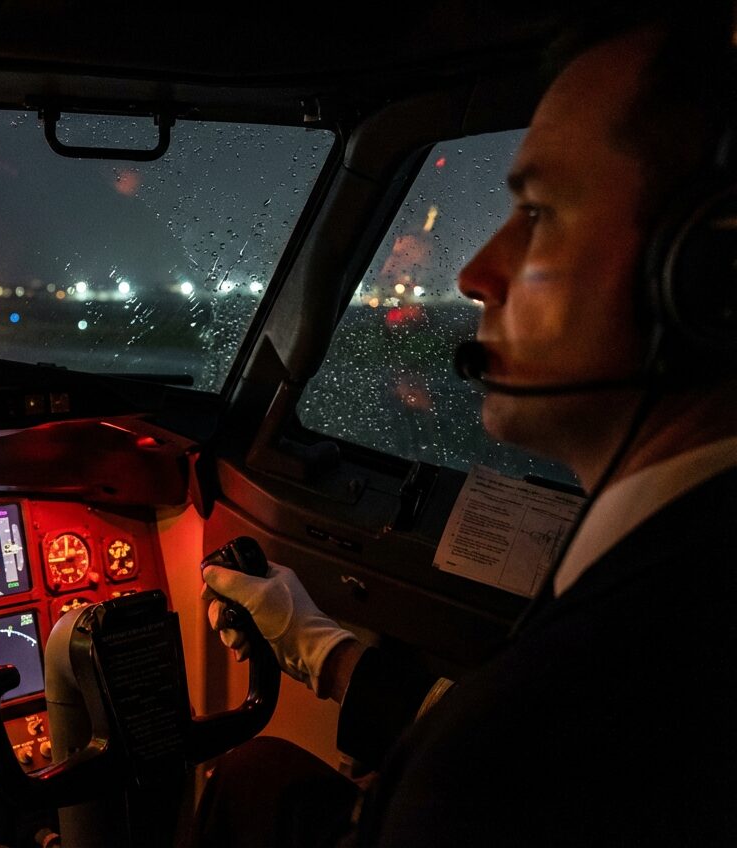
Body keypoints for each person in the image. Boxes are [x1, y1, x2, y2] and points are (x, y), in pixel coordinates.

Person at [197, 7, 737, 846]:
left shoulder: (558, 725)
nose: (478, 274)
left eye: (537, 215)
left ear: (707, 273)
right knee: (255, 772)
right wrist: (324, 650)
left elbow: (510, 751)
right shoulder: (671, 565)